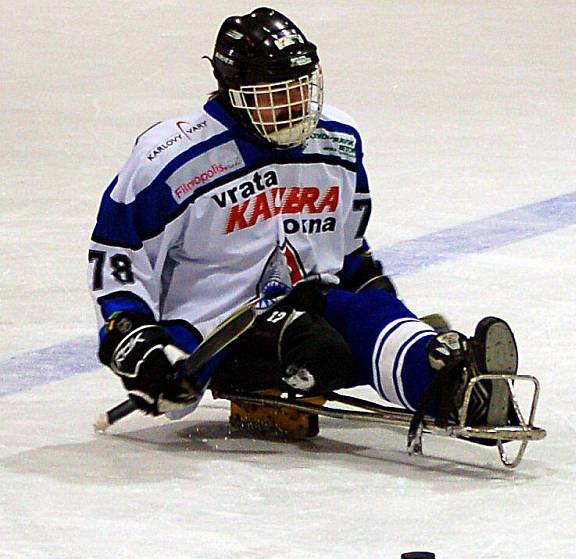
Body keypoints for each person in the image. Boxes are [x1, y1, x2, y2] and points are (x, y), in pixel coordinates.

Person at [87, 7, 519, 437]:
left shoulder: (338, 140)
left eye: (299, 89)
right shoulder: (172, 159)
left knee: (371, 315)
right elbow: (120, 253)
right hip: (213, 330)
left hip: (310, 297)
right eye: (274, 94)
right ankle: (425, 371)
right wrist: (136, 344)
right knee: (320, 345)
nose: (293, 106)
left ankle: (453, 385)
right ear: (234, 91)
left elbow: (349, 247)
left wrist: (379, 301)